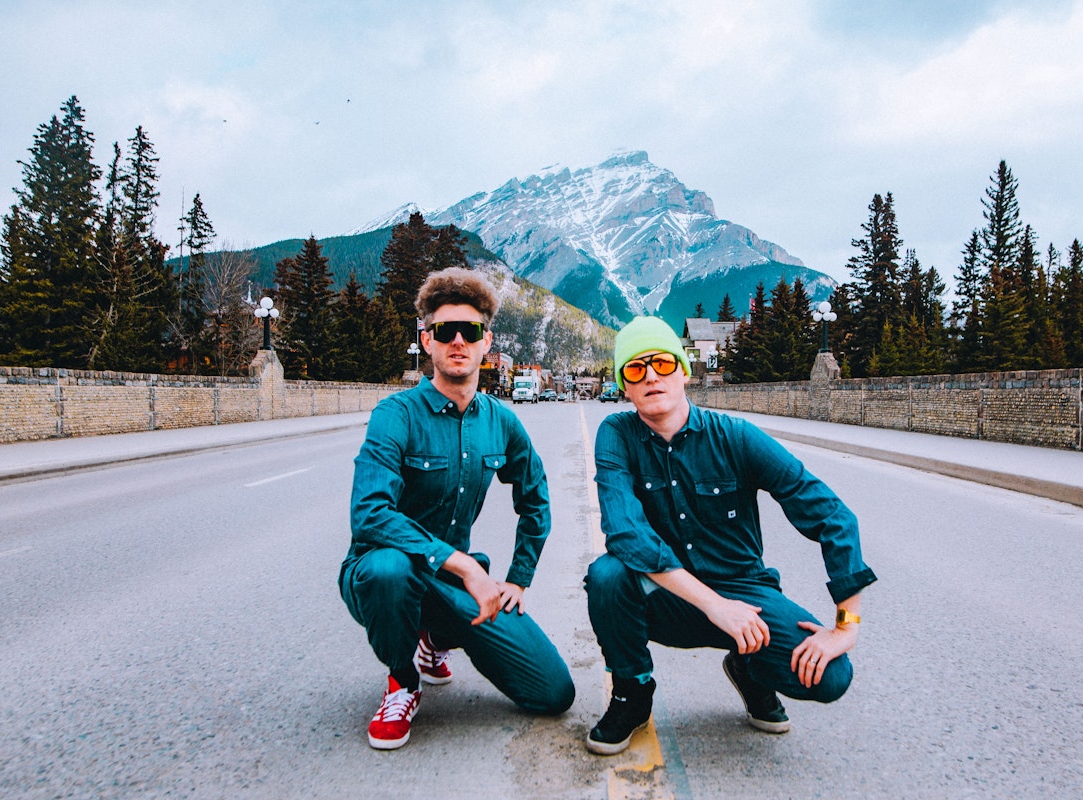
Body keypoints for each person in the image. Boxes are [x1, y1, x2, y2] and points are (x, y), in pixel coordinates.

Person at [584, 316, 876, 755]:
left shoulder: (736, 437)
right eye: (634, 369)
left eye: (662, 363)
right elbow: (626, 534)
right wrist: (715, 607)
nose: (650, 377)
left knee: (832, 677)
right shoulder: (617, 435)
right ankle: (632, 693)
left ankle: (750, 668)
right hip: (670, 597)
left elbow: (832, 515)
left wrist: (845, 626)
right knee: (607, 576)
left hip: (746, 596)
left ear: (683, 370)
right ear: (624, 385)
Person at [339, 267, 574, 750]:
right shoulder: (395, 415)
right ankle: (403, 681)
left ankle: (433, 639)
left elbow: (536, 499)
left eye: (470, 332)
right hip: (383, 571)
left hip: (450, 584)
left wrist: (518, 579)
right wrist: (466, 565)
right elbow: (370, 514)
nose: (458, 342)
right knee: (389, 569)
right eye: (446, 331)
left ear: (487, 342)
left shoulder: (502, 423)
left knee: (553, 692)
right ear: (427, 340)